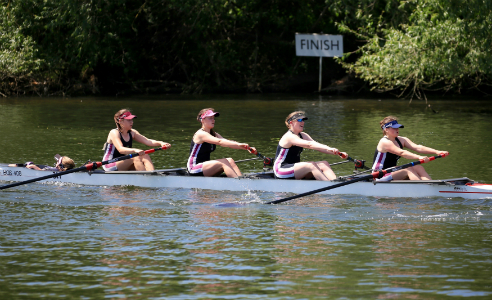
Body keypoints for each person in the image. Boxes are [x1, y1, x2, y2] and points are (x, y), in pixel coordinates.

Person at [273, 111, 348, 181]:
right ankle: (329, 186)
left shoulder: (303, 135)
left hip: (294, 168)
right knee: (311, 165)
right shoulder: (289, 136)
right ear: (291, 122)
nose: (302, 122)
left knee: (324, 164)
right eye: (299, 120)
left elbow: (318, 147)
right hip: (281, 170)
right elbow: (309, 145)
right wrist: (329, 148)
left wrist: (338, 153)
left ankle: (336, 183)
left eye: (303, 120)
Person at [372, 116, 449, 181]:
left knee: (419, 167)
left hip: (392, 171)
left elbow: (418, 147)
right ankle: (422, 189)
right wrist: (419, 157)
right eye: (394, 128)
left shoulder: (402, 140)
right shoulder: (384, 142)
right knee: (408, 169)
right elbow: (402, 153)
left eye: (398, 128)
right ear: (386, 129)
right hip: (379, 175)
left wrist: (437, 151)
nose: (397, 129)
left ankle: (430, 185)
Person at [187, 108, 255, 178]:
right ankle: (238, 185)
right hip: (194, 168)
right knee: (224, 162)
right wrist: (238, 144)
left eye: (213, 118)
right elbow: (220, 142)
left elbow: (227, 142)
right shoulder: (201, 134)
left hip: (205, 167)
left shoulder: (213, 134)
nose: (213, 120)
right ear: (202, 120)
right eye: (210, 118)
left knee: (230, 160)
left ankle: (241, 181)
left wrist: (248, 148)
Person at [102, 109, 171, 171]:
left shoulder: (132, 132)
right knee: (136, 157)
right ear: (121, 121)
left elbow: (148, 141)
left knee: (145, 155)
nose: (132, 122)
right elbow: (121, 149)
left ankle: (152, 175)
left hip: (123, 162)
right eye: (129, 120)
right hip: (109, 164)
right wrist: (135, 150)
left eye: (132, 120)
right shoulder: (114, 132)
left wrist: (161, 143)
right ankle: (144, 179)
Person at [9, 154, 75, 171]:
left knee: (26, 164)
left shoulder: (53, 170)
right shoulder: (64, 169)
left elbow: (41, 171)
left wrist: (34, 167)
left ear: (60, 166)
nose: (56, 163)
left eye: (57, 162)